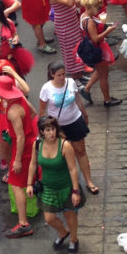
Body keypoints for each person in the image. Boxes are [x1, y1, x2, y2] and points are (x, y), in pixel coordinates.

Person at [0, 74, 37, 238]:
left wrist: (18, 160)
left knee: (16, 183)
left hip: (24, 147)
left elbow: (20, 137)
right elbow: (33, 113)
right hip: (28, 142)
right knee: (25, 179)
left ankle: (23, 224)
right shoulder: (20, 98)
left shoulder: (13, 110)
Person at [38, 63, 98, 195]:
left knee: (81, 151)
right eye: (59, 75)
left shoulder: (70, 82)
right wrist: (44, 130)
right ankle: (69, 183)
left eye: (63, 74)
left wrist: (84, 114)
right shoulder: (46, 89)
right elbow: (42, 111)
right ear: (52, 74)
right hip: (58, 126)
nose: (62, 77)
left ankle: (88, 181)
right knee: (63, 156)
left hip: (75, 120)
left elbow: (77, 100)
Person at [29, 116, 83, 254]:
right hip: (48, 188)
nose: (51, 133)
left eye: (53, 129)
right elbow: (33, 164)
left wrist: (75, 191)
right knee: (49, 218)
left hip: (66, 187)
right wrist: (29, 184)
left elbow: (72, 169)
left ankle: (74, 239)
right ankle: (62, 232)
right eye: (48, 130)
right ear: (42, 132)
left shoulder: (65, 145)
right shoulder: (37, 145)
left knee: (70, 215)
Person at [77, 0, 120, 108]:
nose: (99, 10)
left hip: (92, 47)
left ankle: (86, 89)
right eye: (98, 8)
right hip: (97, 49)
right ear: (91, 7)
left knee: (101, 71)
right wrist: (108, 31)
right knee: (104, 76)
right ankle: (107, 100)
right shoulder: (90, 21)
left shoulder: (83, 15)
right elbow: (95, 38)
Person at [48, 0, 88, 81]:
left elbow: (73, 1)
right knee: (70, 52)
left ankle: (79, 74)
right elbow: (68, 2)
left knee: (78, 48)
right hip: (65, 26)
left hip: (73, 23)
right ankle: (75, 78)